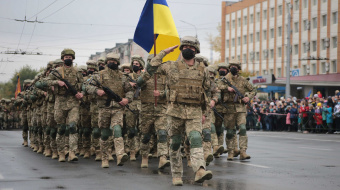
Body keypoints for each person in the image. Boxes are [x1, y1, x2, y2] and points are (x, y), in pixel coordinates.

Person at [146, 36, 216, 185]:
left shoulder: (203, 70)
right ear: (181, 49)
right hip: (175, 111)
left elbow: (206, 92)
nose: (187, 50)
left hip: (194, 111)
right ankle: (176, 174)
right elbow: (151, 68)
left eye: (191, 48)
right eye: (184, 47)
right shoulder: (170, 66)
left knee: (196, 138)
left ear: (196, 51)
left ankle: (200, 170)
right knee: (175, 143)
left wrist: (205, 113)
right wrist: (164, 52)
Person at [84, 52, 133, 168]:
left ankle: (120, 154)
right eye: (110, 61)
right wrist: (97, 91)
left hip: (117, 108)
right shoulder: (99, 75)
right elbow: (87, 86)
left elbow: (130, 91)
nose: (112, 63)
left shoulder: (123, 77)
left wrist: (127, 99)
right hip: (103, 108)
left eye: (114, 61)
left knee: (117, 129)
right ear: (106, 62)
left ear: (118, 63)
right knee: (105, 133)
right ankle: (105, 157)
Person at [47, 48, 84, 162]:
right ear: (63, 58)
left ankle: (72, 152)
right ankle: (61, 152)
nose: (68, 59)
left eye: (70, 57)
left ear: (73, 58)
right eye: (66, 57)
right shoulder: (57, 72)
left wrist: (81, 93)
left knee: (73, 126)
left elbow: (83, 85)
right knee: (62, 128)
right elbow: (46, 82)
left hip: (73, 102)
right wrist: (57, 82)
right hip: (60, 101)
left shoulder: (77, 72)